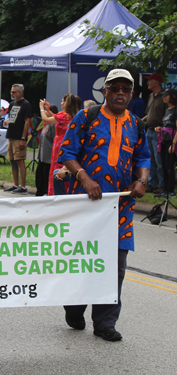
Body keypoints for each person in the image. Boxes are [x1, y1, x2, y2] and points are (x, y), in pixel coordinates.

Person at [58, 68, 150, 342]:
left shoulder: (136, 124)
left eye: (126, 89)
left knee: (115, 265)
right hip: (85, 204)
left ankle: (105, 322)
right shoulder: (87, 116)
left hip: (119, 208)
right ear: (105, 91)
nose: (121, 93)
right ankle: (74, 307)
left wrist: (141, 181)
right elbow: (67, 152)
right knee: (81, 260)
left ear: (131, 94)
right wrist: (84, 177)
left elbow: (143, 158)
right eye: (115, 88)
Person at [39, 93, 80, 196]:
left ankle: (54, 192)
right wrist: (49, 111)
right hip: (65, 143)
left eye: (63, 101)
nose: (61, 103)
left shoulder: (63, 115)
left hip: (59, 144)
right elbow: (56, 118)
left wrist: (41, 109)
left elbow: (46, 120)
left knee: (56, 167)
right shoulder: (70, 116)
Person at [3, 84, 32, 194]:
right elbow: (11, 117)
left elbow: (27, 122)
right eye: (11, 92)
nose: (12, 94)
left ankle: (23, 186)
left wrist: (23, 138)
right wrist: (7, 121)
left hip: (19, 136)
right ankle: (15, 184)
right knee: (12, 160)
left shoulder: (26, 104)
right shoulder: (12, 104)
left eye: (14, 92)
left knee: (20, 160)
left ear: (20, 92)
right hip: (11, 135)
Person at [143, 73, 165, 194]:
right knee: (150, 158)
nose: (148, 83)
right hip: (149, 130)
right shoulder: (151, 96)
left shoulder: (164, 97)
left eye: (150, 81)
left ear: (156, 82)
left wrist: (163, 127)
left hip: (159, 132)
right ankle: (152, 183)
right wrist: (141, 121)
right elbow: (149, 113)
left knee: (159, 159)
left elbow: (168, 114)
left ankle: (162, 184)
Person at [155, 88, 177, 198]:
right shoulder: (167, 110)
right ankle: (164, 189)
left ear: (172, 97)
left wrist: (173, 144)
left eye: (166, 95)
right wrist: (161, 128)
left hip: (171, 140)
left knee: (169, 166)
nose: (164, 97)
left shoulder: (175, 111)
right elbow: (167, 125)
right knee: (163, 164)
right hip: (164, 139)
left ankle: (171, 189)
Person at [35, 104, 57, 196]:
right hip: (42, 156)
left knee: (45, 176)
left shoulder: (53, 125)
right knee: (39, 175)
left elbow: (54, 140)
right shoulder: (46, 124)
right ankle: (39, 191)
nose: (44, 113)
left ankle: (45, 191)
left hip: (48, 156)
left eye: (46, 111)